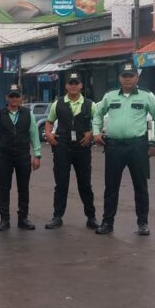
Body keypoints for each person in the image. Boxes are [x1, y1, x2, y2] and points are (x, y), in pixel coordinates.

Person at [92, 62, 155, 235]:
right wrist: (96, 133)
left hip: (137, 147)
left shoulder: (146, 96)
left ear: (136, 78)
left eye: (131, 76)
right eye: (124, 76)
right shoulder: (110, 96)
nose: (127, 80)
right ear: (120, 78)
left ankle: (143, 224)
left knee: (140, 186)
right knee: (111, 187)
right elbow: (97, 114)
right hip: (114, 147)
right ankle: (107, 223)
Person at [43, 72, 99, 230]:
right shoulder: (58, 104)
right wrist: (48, 134)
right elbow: (49, 121)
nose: (73, 86)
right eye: (70, 83)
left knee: (85, 185)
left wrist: (91, 133)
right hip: (62, 147)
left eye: (76, 83)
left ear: (81, 85)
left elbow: (98, 121)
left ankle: (91, 217)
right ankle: (57, 217)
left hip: (82, 147)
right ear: (66, 85)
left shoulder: (90, 104)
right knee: (61, 183)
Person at [0, 82, 42, 231]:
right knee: (4, 188)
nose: (14, 99)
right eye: (11, 96)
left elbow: (34, 135)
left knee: (24, 188)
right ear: (7, 97)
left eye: (17, 96)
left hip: (23, 156)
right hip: (4, 157)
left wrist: (37, 155)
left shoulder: (28, 113)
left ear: (21, 97)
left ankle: (23, 218)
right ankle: (4, 219)